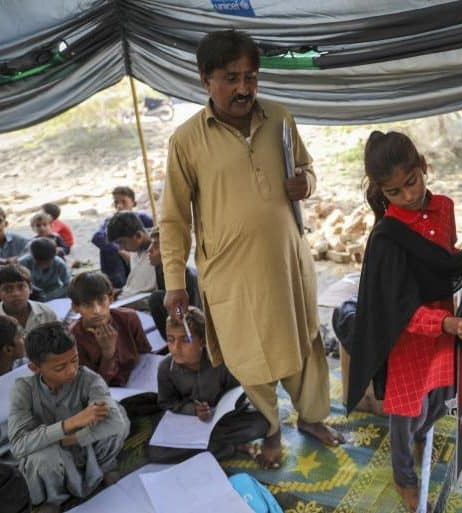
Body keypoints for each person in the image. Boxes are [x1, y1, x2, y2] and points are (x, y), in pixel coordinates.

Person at [160, 29, 343, 469]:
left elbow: (308, 169)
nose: (244, 88)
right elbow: (173, 217)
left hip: (288, 264)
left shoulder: (279, 118)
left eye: (251, 77)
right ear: (206, 80)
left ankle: (311, 418)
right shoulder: (186, 141)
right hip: (230, 275)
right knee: (250, 357)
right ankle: (271, 431)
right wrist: (172, 282)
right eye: (231, 77)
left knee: (303, 344)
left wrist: (307, 183)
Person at [347, 131, 462, 511]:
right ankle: (404, 477)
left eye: (411, 182)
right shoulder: (387, 237)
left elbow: (442, 261)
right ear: (382, 192)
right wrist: (446, 324)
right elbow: (396, 308)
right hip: (407, 338)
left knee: (439, 396)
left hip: (443, 322)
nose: (408, 195)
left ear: (423, 168)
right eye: (394, 192)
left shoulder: (444, 207)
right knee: (405, 412)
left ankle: (421, 436)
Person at [7, 322, 130, 513]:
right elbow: (18, 446)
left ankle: (105, 467)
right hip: (53, 453)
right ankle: (54, 499)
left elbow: (115, 422)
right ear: (35, 368)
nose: (72, 370)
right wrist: (70, 423)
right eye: (60, 367)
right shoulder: (24, 389)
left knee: (118, 415)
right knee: (41, 460)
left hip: (86, 444)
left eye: (75, 360)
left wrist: (74, 438)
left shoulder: (88, 378)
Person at [149, 307, 269, 463]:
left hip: (221, 421)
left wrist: (219, 411)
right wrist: (193, 410)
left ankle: (211, 447)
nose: (176, 348)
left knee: (261, 424)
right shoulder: (165, 368)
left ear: (203, 341)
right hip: (190, 423)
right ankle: (229, 448)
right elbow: (167, 402)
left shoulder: (221, 361)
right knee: (155, 452)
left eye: (185, 340)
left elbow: (238, 393)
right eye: (171, 339)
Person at [68, 271, 151, 386]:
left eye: (101, 301)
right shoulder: (74, 336)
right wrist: (108, 354)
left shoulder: (129, 319)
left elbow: (146, 356)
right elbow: (90, 385)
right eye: (88, 305)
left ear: (111, 299)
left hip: (140, 381)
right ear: (76, 308)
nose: (97, 311)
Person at [91, 186, 153, 289]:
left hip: (138, 254)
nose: (119, 206)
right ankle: (116, 283)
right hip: (123, 259)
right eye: (116, 202)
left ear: (133, 203)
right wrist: (119, 249)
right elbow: (97, 237)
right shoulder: (111, 220)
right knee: (107, 251)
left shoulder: (143, 218)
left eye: (124, 202)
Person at [147, 226, 201, 340]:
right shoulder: (159, 269)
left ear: (169, 250)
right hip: (177, 314)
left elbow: (195, 312)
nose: (149, 250)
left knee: (155, 299)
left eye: (156, 245)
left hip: (192, 320)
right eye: (151, 244)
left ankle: (183, 341)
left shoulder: (187, 276)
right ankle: (172, 341)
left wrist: (178, 318)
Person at [106, 211, 157, 300]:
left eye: (122, 242)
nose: (121, 247)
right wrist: (119, 292)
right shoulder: (135, 248)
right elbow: (134, 285)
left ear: (138, 235)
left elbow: (147, 292)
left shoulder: (158, 252)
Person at [0, 264, 58, 333]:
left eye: (21, 287)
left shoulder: (46, 313)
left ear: (30, 288)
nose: (16, 293)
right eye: (8, 289)